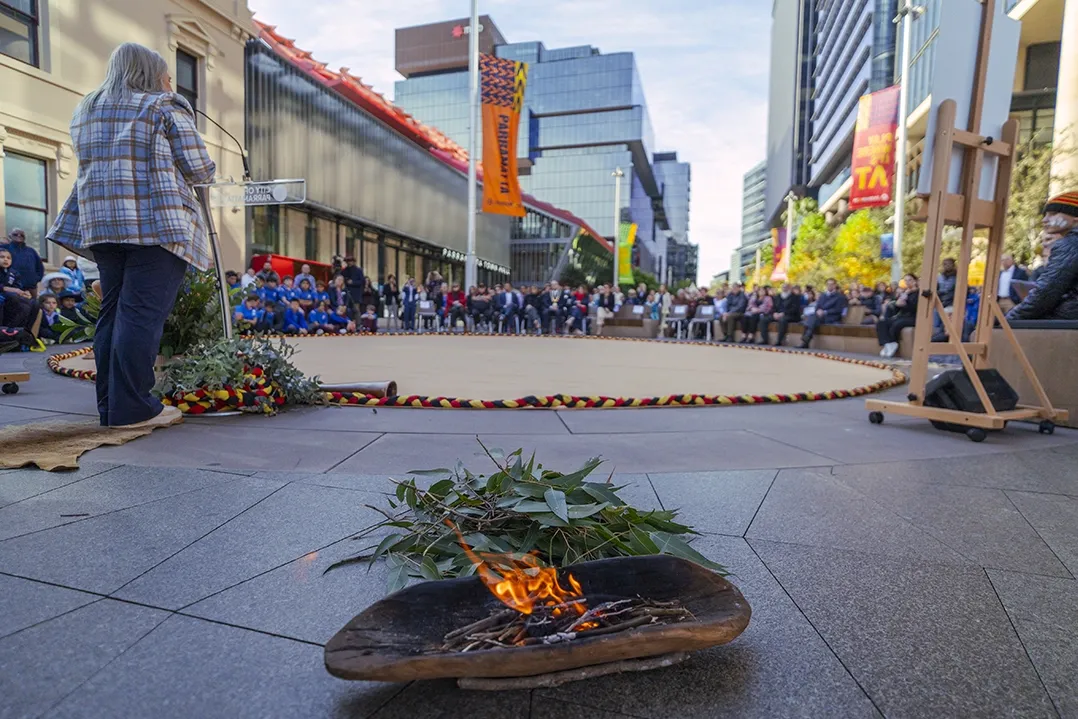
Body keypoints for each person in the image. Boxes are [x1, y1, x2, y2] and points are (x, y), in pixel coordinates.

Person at [45, 43, 215, 428]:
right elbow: (200, 167)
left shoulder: (86, 108)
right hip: (155, 226)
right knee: (141, 316)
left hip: (102, 225)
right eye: (167, 75)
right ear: (153, 74)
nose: (170, 81)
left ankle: (111, 406)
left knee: (113, 314)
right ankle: (135, 406)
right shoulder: (162, 105)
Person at [1008, 191, 1078, 321]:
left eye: (1053, 214)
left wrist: (1010, 318)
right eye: (1045, 215)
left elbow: (1047, 292)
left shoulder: (1071, 243)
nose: (1045, 220)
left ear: (1075, 217)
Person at [877, 274, 919, 358]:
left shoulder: (918, 293)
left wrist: (904, 305)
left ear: (915, 281)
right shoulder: (905, 293)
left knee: (897, 324)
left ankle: (893, 342)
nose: (907, 282)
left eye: (910, 280)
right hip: (902, 315)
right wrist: (897, 304)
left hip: (913, 317)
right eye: (905, 280)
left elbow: (915, 307)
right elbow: (897, 308)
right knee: (882, 322)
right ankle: (887, 343)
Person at [800, 278, 847, 349]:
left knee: (811, 319)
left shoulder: (840, 296)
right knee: (811, 317)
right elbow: (817, 306)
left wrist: (825, 312)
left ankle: (805, 340)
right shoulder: (823, 295)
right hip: (819, 316)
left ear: (835, 285)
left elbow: (838, 310)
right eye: (828, 284)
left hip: (832, 317)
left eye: (832, 284)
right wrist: (818, 311)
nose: (830, 286)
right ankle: (806, 339)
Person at [0, 246, 35, 328]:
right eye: (2, 257)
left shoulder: (13, 272)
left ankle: (20, 330)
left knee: (33, 304)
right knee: (13, 297)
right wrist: (6, 288)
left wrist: (24, 293)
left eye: (8, 258)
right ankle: (4, 328)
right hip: (4, 295)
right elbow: (12, 290)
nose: (6, 259)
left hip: (12, 296)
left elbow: (18, 287)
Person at [3, 229, 44, 299]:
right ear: (10, 236)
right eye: (15, 234)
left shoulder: (31, 251)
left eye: (22, 235)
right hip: (12, 286)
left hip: (31, 286)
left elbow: (40, 267)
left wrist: (35, 279)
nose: (19, 236)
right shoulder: (5, 249)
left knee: (34, 306)